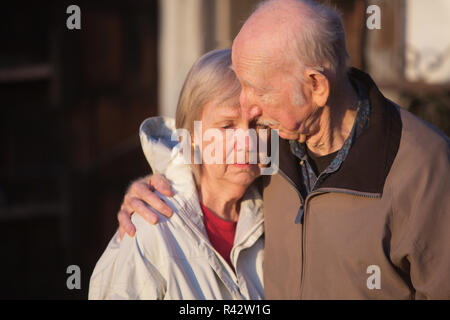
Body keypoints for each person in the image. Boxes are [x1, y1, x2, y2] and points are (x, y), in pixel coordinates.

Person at [116, 0, 450, 299]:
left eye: (257, 89)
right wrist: (153, 186)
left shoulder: (425, 168)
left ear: (316, 86)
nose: (247, 104)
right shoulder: (277, 138)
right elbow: (203, 144)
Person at [89, 49, 267, 299]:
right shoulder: (152, 227)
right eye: (227, 126)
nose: (247, 141)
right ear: (191, 135)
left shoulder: (281, 214)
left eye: (259, 125)